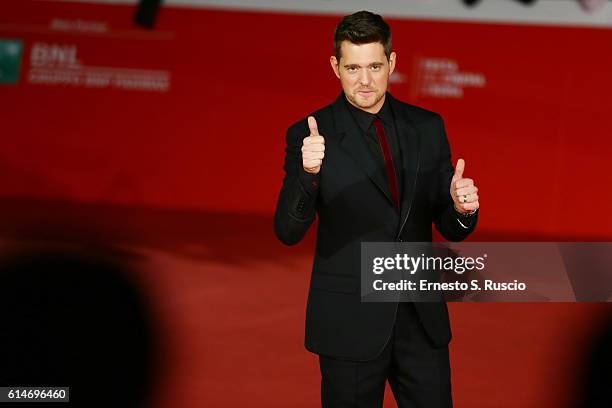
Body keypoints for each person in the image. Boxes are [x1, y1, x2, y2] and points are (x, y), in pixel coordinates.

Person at [274, 10, 479, 408]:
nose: (364, 80)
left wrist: (461, 209)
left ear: (392, 63)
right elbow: (287, 230)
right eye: (352, 67)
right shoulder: (310, 134)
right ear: (335, 66)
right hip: (351, 321)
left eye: (374, 66)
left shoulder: (427, 127)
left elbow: (448, 225)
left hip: (420, 321)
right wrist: (308, 173)